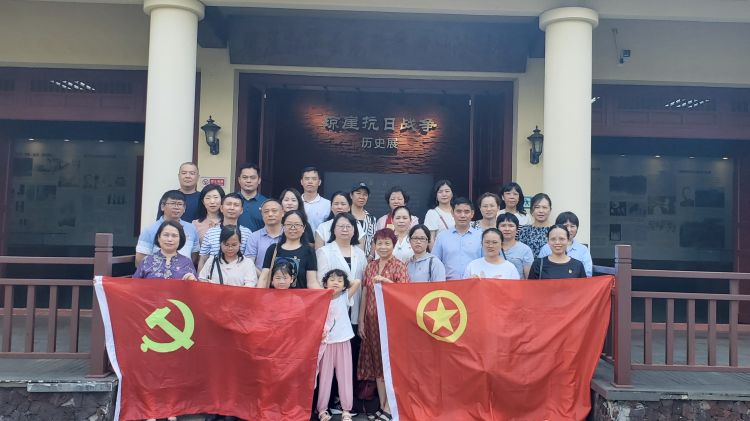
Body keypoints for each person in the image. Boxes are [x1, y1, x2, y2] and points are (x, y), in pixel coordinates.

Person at [315, 212, 367, 410]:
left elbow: (362, 284)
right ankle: (326, 404)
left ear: (354, 230)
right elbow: (322, 284)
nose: (345, 230)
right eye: (341, 226)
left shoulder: (359, 253)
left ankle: (344, 403)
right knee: (327, 361)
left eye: (349, 226)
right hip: (331, 316)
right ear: (333, 229)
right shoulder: (325, 252)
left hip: (353, 312)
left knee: (348, 358)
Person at [358, 229, 409, 421]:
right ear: (374, 245)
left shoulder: (399, 266)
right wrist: (361, 320)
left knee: (390, 363)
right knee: (377, 363)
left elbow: (404, 293)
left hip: (391, 322)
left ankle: (390, 408)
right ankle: (382, 406)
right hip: (371, 322)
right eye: (379, 243)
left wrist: (386, 281)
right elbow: (365, 293)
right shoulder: (370, 266)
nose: (383, 247)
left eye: (387, 243)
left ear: (393, 245)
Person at [316, 269, 361, 421]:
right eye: (332, 280)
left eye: (339, 281)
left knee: (345, 376)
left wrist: (343, 286)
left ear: (344, 286)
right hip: (326, 343)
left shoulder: (344, 297)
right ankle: (322, 410)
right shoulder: (320, 298)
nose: (335, 282)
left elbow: (357, 282)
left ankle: (346, 410)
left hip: (343, 341)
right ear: (325, 283)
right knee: (325, 377)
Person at [136, 190, 200, 268]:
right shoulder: (150, 230)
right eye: (172, 203)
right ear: (162, 206)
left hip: (185, 273)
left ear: (184, 208)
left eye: (180, 204)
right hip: (157, 274)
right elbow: (140, 261)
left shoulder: (191, 228)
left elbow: (194, 255)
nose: (176, 207)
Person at [258, 210, 320, 289]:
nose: (292, 228)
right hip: (274, 296)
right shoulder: (273, 249)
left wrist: (326, 294)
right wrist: (258, 295)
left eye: (297, 224)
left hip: (298, 297)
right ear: (283, 227)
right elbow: (264, 278)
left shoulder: (309, 251)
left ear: (304, 228)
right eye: (289, 224)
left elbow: (312, 282)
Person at [198, 193, 253, 272]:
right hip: (214, 277)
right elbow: (203, 259)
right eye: (228, 204)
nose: (232, 208)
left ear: (241, 210)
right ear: (221, 208)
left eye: (236, 205)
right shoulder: (210, 232)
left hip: (239, 276)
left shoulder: (247, 233)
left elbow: (249, 260)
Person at [431, 197, 482, 280]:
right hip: (448, 285)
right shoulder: (442, 237)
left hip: (474, 284)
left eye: (466, 212)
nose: (462, 215)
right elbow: (435, 263)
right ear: (452, 213)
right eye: (458, 211)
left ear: (472, 214)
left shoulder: (481, 236)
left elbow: (486, 261)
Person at [538, 211, 593, 277]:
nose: (569, 230)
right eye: (565, 226)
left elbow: (587, 275)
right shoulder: (546, 248)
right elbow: (539, 270)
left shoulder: (583, 250)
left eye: (572, 226)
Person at [246, 199, 284, 276]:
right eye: (266, 211)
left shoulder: (290, 234)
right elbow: (249, 263)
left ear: (283, 213)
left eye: (274, 211)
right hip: (259, 280)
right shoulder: (254, 237)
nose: (270, 214)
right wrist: (264, 279)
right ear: (262, 214)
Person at [496, 213, 534, 279]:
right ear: (497, 228)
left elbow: (529, 277)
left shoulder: (525, 250)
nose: (507, 229)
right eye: (503, 225)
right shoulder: (491, 247)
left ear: (517, 229)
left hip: (517, 285)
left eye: (511, 226)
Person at [518, 193, 553, 258]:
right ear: (531, 210)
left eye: (544, 207)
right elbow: (520, 253)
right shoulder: (524, 231)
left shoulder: (555, 231)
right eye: (537, 207)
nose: (541, 211)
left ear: (550, 210)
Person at [349, 182, 377, 260]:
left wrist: (370, 256)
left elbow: (374, 239)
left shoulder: (371, 219)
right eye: (358, 193)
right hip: (347, 259)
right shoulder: (344, 216)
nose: (362, 197)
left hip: (366, 260)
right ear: (351, 195)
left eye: (365, 194)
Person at [236, 162, 267, 232]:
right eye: (245, 177)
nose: (248, 181)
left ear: (259, 180)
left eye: (252, 178)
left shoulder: (266, 203)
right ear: (239, 180)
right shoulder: (230, 201)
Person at [423, 179, 455, 246]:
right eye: (440, 192)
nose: (444, 194)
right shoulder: (432, 213)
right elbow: (431, 239)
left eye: (447, 191)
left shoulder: (458, 211)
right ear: (436, 195)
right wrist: (434, 253)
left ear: (452, 194)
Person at [301, 167, 331, 231]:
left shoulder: (328, 204)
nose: (310, 181)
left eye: (314, 179)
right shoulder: (295, 202)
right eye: (307, 179)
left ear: (319, 182)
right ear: (301, 182)